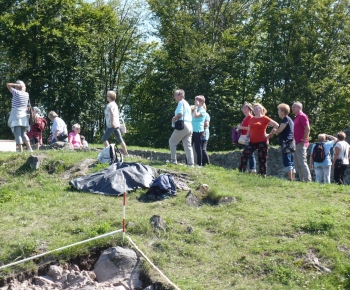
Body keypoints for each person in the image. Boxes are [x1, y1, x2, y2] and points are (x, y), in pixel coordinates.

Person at [239, 103, 279, 176]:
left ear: (261, 109)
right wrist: (247, 137)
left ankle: (262, 175)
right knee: (245, 154)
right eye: (254, 109)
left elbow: (276, 125)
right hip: (252, 141)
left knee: (262, 158)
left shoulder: (265, 118)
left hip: (262, 141)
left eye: (257, 108)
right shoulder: (251, 119)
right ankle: (241, 171)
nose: (256, 110)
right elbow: (249, 129)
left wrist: (269, 134)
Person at [268, 103, 295, 180]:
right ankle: (293, 178)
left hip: (286, 142)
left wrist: (273, 132)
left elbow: (280, 130)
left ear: (283, 111)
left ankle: (290, 178)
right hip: (291, 141)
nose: (278, 112)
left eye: (279, 110)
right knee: (291, 160)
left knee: (287, 160)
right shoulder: (290, 119)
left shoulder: (285, 119)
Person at [169, 89, 194, 167]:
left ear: (181, 95)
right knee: (187, 145)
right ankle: (191, 164)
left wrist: (174, 118)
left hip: (183, 125)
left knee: (172, 141)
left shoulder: (180, 102)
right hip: (190, 126)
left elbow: (180, 114)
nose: (174, 97)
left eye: (175, 95)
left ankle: (173, 160)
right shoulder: (187, 103)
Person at [6, 80, 33, 152]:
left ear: (18, 87)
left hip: (16, 116)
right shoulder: (27, 94)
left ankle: (20, 150)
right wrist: (20, 85)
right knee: (24, 133)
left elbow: (8, 85)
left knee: (17, 133)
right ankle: (29, 148)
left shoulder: (16, 92)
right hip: (24, 116)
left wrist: (16, 85)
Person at [102, 90, 128, 155]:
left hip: (111, 124)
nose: (106, 97)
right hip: (116, 124)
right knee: (120, 139)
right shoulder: (115, 104)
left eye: (107, 96)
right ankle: (126, 154)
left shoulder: (109, 105)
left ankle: (110, 153)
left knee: (104, 139)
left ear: (109, 97)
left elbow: (112, 114)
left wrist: (112, 123)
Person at [292, 102, 311, 182]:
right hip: (296, 143)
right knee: (298, 163)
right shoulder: (296, 117)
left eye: (294, 107)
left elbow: (307, 129)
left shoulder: (302, 116)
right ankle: (302, 179)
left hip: (301, 142)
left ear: (299, 107)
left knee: (302, 162)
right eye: (292, 107)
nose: (292, 108)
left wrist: (304, 140)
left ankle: (308, 180)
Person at [237, 102, 256, 173]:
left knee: (250, 153)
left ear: (249, 109)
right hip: (244, 136)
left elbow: (251, 128)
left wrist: (242, 127)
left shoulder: (250, 117)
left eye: (245, 107)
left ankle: (252, 169)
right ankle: (249, 169)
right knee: (247, 153)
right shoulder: (245, 118)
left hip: (249, 137)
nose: (243, 109)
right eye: (243, 107)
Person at [191, 95, 207, 167]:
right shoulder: (195, 108)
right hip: (191, 130)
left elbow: (195, 115)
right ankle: (189, 162)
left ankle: (198, 163)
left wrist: (196, 107)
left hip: (198, 130)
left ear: (201, 102)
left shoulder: (202, 111)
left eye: (196, 101)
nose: (195, 102)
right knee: (189, 146)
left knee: (198, 147)